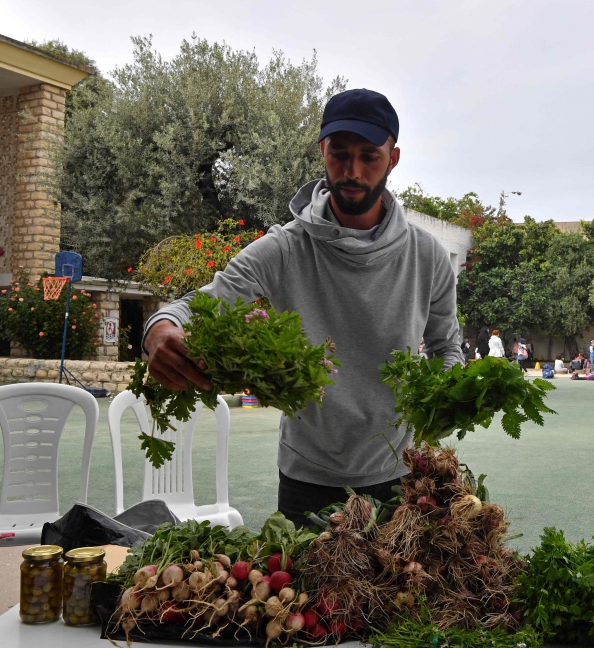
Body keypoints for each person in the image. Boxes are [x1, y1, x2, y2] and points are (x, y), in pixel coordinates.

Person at [142, 89, 462, 528]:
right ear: (322, 152)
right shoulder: (285, 248)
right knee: (305, 596)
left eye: (369, 156)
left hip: (398, 474)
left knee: (393, 597)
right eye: (339, 153)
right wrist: (158, 327)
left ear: (394, 158)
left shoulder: (428, 257)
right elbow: (201, 303)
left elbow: (448, 348)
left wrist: (444, 403)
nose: (352, 171)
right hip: (307, 477)